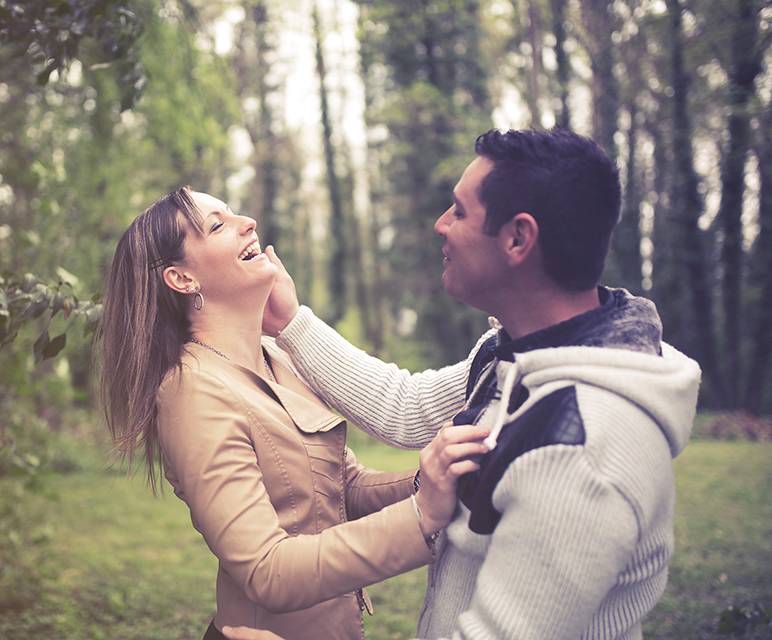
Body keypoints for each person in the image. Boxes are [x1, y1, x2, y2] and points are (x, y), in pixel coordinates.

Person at [226, 129, 702, 640]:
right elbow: (405, 407)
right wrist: (292, 323)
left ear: (519, 238)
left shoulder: (579, 448)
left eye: (458, 211)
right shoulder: (514, 352)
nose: (440, 225)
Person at [95, 187, 491, 640]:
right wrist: (422, 514)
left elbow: (345, 489)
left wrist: (440, 478)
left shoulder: (276, 357)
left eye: (236, 212)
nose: (248, 223)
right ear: (182, 279)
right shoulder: (191, 390)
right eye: (218, 224)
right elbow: (265, 570)